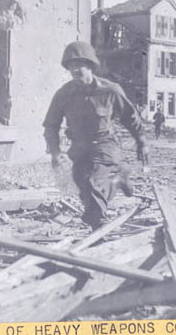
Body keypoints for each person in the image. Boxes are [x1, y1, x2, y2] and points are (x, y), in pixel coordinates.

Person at [43, 41, 149, 230]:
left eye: (80, 65)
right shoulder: (63, 94)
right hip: (80, 148)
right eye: (71, 66)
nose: (75, 70)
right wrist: (55, 152)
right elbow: (51, 125)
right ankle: (119, 178)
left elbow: (130, 117)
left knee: (96, 183)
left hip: (105, 145)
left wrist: (141, 141)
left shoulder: (110, 90)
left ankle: (99, 230)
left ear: (91, 66)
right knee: (83, 187)